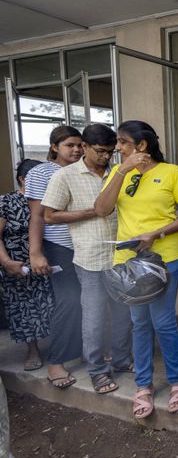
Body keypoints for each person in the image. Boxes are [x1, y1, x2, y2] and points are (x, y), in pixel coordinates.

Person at [94, 120, 178, 419]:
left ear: (142, 145)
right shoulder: (118, 173)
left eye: (122, 142)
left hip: (163, 258)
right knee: (139, 323)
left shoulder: (171, 172)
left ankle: (177, 381)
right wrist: (122, 171)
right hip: (128, 263)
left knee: (162, 323)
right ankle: (143, 385)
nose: (117, 148)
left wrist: (155, 234)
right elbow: (101, 209)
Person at [42, 123, 132, 395]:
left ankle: (120, 359)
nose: (106, 157)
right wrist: (93, 212)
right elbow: (50, 215)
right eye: (100, 151)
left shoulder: (120, 172)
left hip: (122, 256)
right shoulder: (66, 176)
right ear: (84, 146)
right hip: (90, 258)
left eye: (111, 152)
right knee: (92, 318)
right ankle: (97, 371)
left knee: (122, 315)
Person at [26, 126, 84, 389]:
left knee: (92, 301)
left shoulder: (87, 169)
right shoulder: (40, 173)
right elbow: (37, 216)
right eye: (69, 145)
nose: (76, 150)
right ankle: (56, 362)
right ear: (54, 147)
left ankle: (90, 350)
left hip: (87, 245)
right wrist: (36, 253)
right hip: (58, 246)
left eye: (80, 145)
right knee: (69, 300)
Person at [0, 159, 54, 371]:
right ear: (23, 179)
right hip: (18, 264)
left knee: (53, 304)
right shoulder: (6, 202)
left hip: (49, 262)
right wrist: (6, 262)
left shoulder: (49, 201)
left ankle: (61, 346)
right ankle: (33, 349)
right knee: (23, 308)